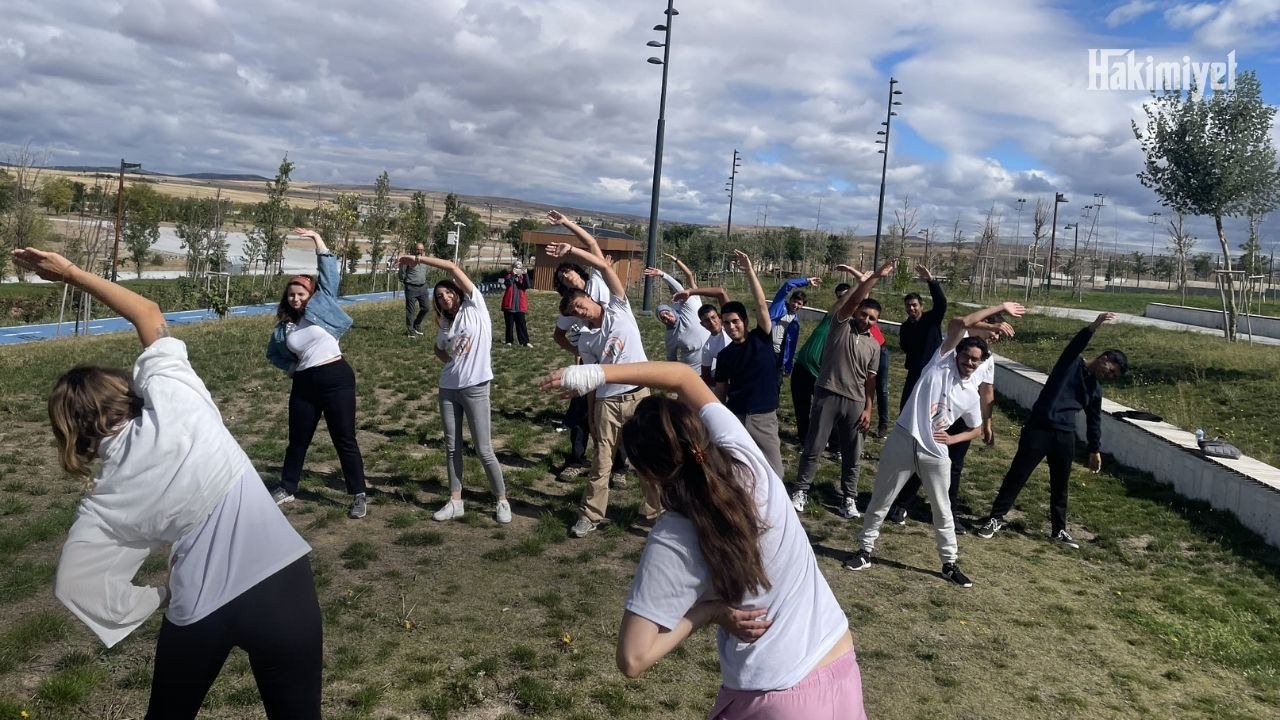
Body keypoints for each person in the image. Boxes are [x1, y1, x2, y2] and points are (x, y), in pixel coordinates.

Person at [16, 247, 322, 719]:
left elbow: (74, 583)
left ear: (71, 433)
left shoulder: (102, 501)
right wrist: (71, 273)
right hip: (281, 581)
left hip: (197, 605)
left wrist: (155, 596)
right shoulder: (177, 400)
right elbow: (148, 314)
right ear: (124, 390)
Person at [538, 360, 864, 719]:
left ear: (647, 473)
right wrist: (597, 373)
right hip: (839, 664)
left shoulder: (674, 537)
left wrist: (710, 611)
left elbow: (633, 658)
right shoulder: (745, 456)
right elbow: (682, 377)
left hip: (774, 695)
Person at [845, 300, 1027, 587]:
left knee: (942, 509)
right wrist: (999, 308)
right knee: (882, 498)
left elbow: (976, 428)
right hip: (904, 439)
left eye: (974, 361)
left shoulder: (970, 393)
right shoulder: (940, 361)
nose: (968, 363)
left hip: (936, 451)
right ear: (957, 354)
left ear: (980, 364)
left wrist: (954, 438)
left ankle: (949, 563)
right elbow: (960, 322)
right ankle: (864, 551)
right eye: (966, 357)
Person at [976, 313, 1128, 548]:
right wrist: (1094, 326)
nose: (1109, 375)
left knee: (1060, 484)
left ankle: (1059, 530)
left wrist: (1094, 450)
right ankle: (996, 518)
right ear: (1104, 357)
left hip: (1064, 436)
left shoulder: (1095, 390)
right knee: (1018, 474)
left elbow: (1094, 421)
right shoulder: (1070, 364)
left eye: (1113, 376)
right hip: (1039, 428)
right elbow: (1076, 344)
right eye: (1110, 369)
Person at [547, 239, 660, 537]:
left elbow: (601, 264)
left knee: (645, 458)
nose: (581, 311)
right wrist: (591, 413)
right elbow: (593, 379)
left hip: (638, 395)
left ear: (589, 297)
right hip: (607, 403)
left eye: (581, 304)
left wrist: (571, 251)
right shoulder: (585, 340)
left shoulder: (619, 307)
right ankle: (591, 515)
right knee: (601, 463)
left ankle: (654, 513)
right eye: (575, 312)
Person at [399, 252, 512, 524]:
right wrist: (451, 363)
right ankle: (455, 500)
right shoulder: (446, 324)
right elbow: (438, 349)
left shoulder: (476, 307)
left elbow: (451, 266)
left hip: (475, 388)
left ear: (457, 291)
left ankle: (502, 500)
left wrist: (418, 259)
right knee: (452, 447)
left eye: (447, 292)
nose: (444, 298)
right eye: (439, 297)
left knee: (484, 449)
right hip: (448, 388)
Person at [266, 228, 368, 519]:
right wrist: (290, 367)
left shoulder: (323, 306)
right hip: (304, 384)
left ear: (311, 295)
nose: (296, 298)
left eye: (301, 294)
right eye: (292, 295)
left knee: (344, 438)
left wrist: (317, 240)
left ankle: (359, 494)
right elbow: (272, 353)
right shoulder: (283, 327)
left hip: (336, 378)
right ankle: (287, 487)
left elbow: (329, 274)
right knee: (298, 439)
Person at [887, 312, 1009, 532]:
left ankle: (949, 513)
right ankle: (901, 503)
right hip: (941, 411)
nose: (996, 337)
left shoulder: (987, 358)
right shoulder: (955, 346)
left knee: (955, 465)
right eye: (994, 331)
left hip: (965, 414)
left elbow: (987, 391)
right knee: (923, 456)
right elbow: (959, 321)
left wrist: (987, 423)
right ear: (982, 326)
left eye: (998, 334)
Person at [790, 264, 891, 518]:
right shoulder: (840, 327)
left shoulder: (874, 346)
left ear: (876, 323)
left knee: (852, 454)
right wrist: (874, 278)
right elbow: (854, 300)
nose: (866, 319)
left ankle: (849, 499)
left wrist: (868, 408)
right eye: (864, 314)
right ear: (856, 311)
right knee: (814, 447)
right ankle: (801, 490)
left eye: (872, 318)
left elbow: (871, 380)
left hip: (855, 403)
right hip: (827, 394)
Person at [703, 251, 786, 478]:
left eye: (735, 321)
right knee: (736, 472)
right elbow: (720, 391)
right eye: (727, 323)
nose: (731, 327)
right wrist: (716, 419)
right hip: (736, 416)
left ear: (745, 322)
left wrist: (749, 271)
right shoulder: (725, 355)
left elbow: (760, 303)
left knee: (774, 473)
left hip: (764, 418)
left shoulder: (762, 338)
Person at [791, 282, 851, 450]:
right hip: (801, 367)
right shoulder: (830, 317)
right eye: (839, 296)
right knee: (801, 408)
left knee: (824, 411)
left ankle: (835, 445)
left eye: (846, 296)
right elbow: (840, 305)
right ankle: (805, 441)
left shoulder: (850, 325)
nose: (842, 299)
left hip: (822, 374)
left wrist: (861, 286)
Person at [644, 253, 709, 373]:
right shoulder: (675, 307)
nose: (672, 291)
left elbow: (688, 275)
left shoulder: (691, 298)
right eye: (670, 290)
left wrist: (674, 261)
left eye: (672, 289)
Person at [897, 265, 948, 409]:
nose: (911, 308)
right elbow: (905, 346)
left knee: (930, 406)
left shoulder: (931, 319)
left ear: (921, 305)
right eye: (908, 306)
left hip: (933, 369)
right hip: (914, 371)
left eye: (914, 305)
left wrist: (931, 281)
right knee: (906, 405)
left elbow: (941, 304)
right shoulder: (905, 327)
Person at [769, 275, 820, 376]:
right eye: (794, 301)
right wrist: (807, 281)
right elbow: (788, 285)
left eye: (799, 303)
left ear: (802, 306)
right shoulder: (778, 307)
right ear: (790, 299)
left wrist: (788, 366)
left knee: (775, 386)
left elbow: (791, 346)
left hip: (779, 356)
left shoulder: (795, 324)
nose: (795, 305)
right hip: (766, 350)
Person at [400, 242, 432, 337]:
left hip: (422, 287)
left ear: (424, 251)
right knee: (411, 310)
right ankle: (410, 330)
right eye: (418, 249)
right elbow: (402, 272)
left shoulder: (425, 260)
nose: (420, 251)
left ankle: (416, 324)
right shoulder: (409, 259)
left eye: (422, 250)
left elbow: (427, 271)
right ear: (415, 250)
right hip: (411, 287)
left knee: (426, 308)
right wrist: (405, 282)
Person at [501, 262, 532, 347]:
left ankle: (525, 342)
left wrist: (525, 275)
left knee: (522, 324)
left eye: (520, 267)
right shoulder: (509, 276)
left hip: (520, 305)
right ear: (513, 268)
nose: (518, 269)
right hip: (509, 305)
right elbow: (508, 283)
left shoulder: (523, 277)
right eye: (516, 267)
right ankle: (509, 341)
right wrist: (513, 275)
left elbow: (527, 285)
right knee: (509, 325)